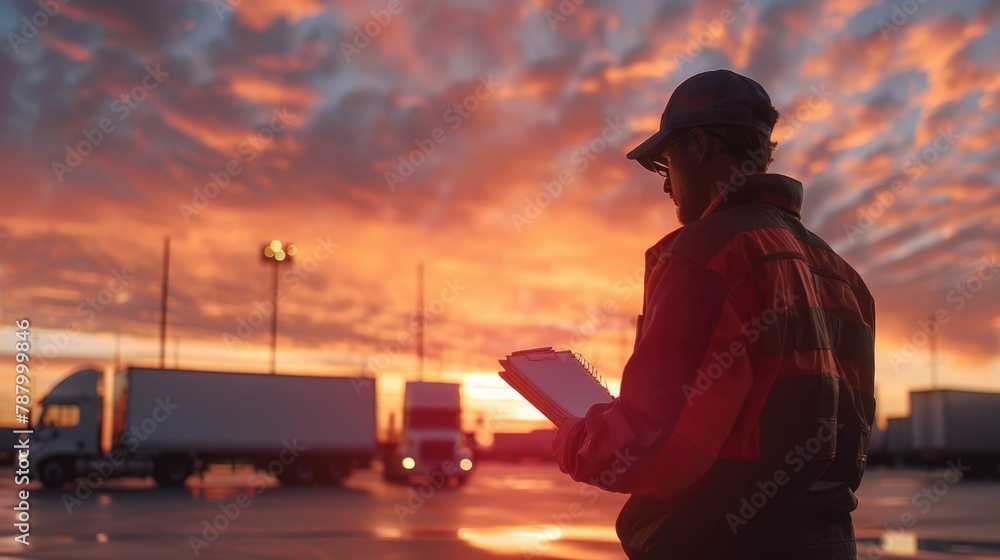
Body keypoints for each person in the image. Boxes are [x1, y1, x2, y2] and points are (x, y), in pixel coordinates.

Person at [552, 69, 876, 559]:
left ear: (699, 146)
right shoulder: (843, 276)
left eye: (665, 166)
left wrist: (573, 439)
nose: (666, 188)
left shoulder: (709, 252)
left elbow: (653, 444)